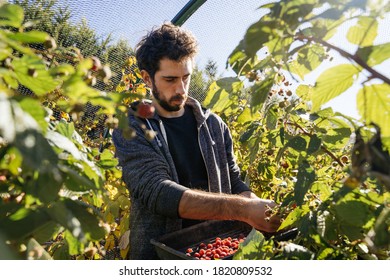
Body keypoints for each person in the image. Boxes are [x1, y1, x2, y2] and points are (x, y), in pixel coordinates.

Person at [112, 22, 281, 259]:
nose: (181, 89)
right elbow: (158, 192)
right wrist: (243, 209)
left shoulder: (214, 126)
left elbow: (233, 181)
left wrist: (255, 204)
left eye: (186, 78)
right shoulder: (132, 127)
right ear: (147, 79)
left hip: (215, 247)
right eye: (170, 80)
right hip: (161, 257)